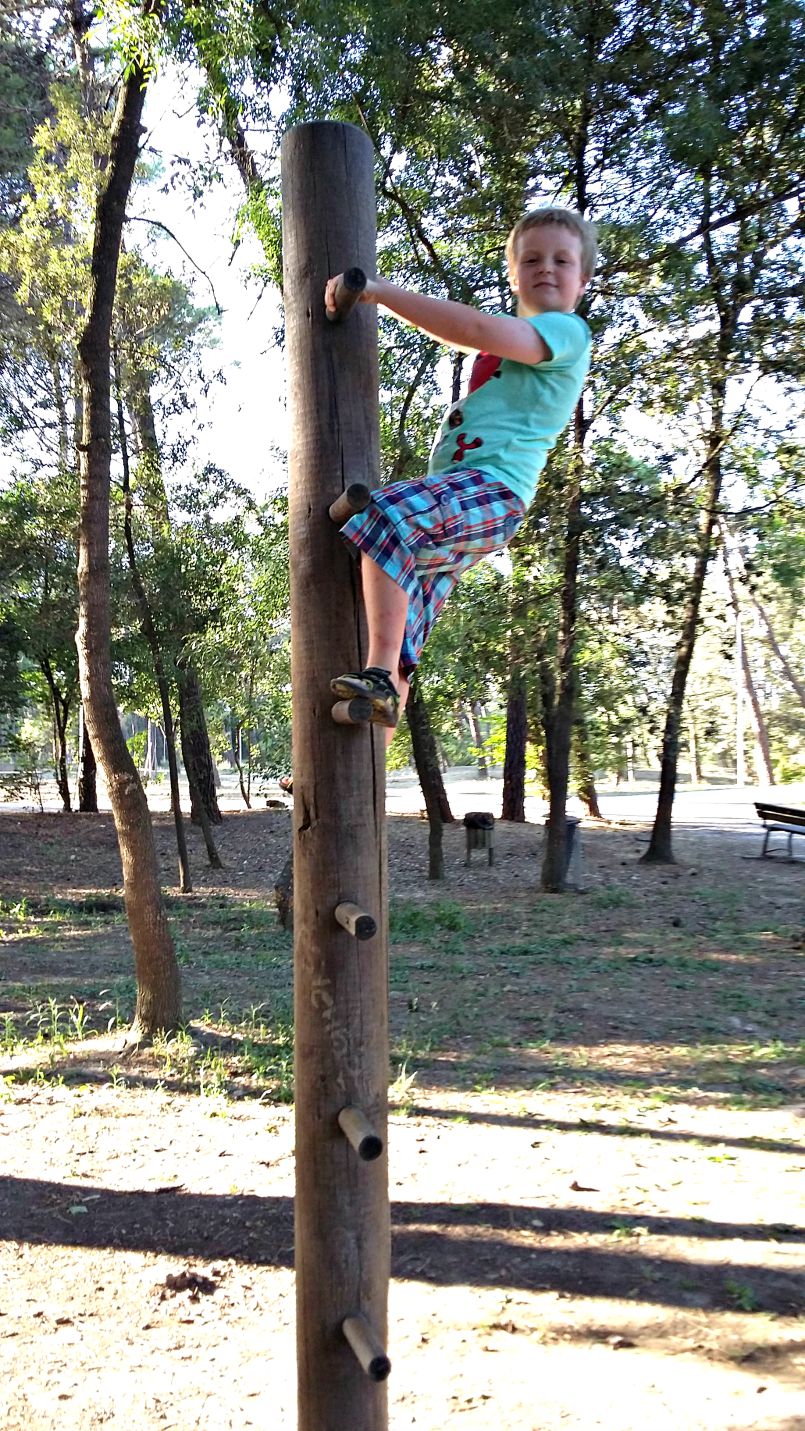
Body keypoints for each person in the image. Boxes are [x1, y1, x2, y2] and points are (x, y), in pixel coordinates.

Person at [327, 207, 597, 742]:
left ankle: (376, 672)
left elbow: (473, 328)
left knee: (388, 513)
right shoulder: (520, 347)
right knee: (407, 633)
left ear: (583, 282)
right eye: (532, 258)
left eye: (562, 261)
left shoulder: (566, 331)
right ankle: (369, 763)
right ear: (514, 274)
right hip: (477, 500)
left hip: (493, 492)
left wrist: (375, 292)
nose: (547, 268)